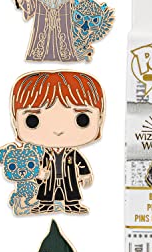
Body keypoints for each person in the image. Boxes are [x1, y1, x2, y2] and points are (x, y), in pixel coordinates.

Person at [11, 71, 104, 214]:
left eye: (82, 119)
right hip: (49, 178)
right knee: (46, 192)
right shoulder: (42, 153)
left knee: (71, 192)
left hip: (69, 178)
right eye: (33, 121)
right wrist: (38, 173)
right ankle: (45, 204)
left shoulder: (72, 154)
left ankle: (72, 205)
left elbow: (80, 163)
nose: (58, 130)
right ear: (15, 122)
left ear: (99, 119)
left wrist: (85, 174)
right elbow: (35, 165)